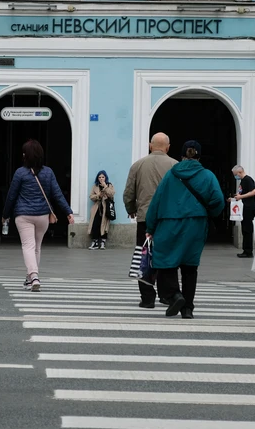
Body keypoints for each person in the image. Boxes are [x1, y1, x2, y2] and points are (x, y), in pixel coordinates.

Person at [145, 141, 224, 319]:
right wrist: (208, 213)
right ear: (199, 156)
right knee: (190, 267)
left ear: (181, 156)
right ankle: (187, 309)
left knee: (165, 262)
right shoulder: (208, 175)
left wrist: (150, 226)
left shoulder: (171, 175)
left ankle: (174, 295)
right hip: (196, 225)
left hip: (169, 224)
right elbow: (218, 200)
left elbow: (156, 201)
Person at [2, 139, 74, 292]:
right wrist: (68, 212)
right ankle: (29, 279)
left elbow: (11, 196)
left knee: (28, 246)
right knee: (36, 248)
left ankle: (34, 276)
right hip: (42, 216)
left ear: (25, 155)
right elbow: (57, 194)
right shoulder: (48, 172)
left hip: (24, 215)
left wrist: (5, 215)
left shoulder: (20, 173)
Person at [124, 133, 177, 308]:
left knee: (144, 256)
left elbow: (129, 193)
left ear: (150, 145)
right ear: (168, 147)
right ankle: (166, 295)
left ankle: (147, 298)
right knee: (166, 255)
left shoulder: (137, 165)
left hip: (145, 218)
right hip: (167, 219)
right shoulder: (175, 166)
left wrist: (131, 209)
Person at [230, 165, 255, 258]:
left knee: (247, 229)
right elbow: (240, 193)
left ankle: (248, 251)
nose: (235, 176)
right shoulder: (243, 181)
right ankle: (246, 250)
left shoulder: (248, 179)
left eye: (235, 174)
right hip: (245, 207)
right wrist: (234, 198)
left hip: (249, 207)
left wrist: (240, 197)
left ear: (239, 172)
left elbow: (254, 191)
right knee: (245, 229)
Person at [88, 171, 115, 251]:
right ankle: (95, 242)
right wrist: (98, 196)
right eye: (99, 177)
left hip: (106, 207)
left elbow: (112, 194)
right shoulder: (95, 186)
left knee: (105, 224)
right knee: (95, 223)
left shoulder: (109, 185)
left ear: (105, 177)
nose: (101, 179)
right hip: (97, 207)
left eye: (103, 177)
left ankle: (103, 242)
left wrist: (105, 186)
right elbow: (91, 196)